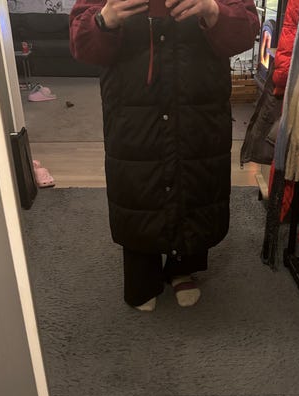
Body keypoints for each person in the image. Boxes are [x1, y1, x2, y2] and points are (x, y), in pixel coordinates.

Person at [70, 0, 259, 311]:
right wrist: (105, 20)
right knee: (139, 185)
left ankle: (183, 266)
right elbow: (82, 45)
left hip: (197, 102)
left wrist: (213, 10)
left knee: (193, 180)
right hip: (133, 109)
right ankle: (141, 274)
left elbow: (245, 32)